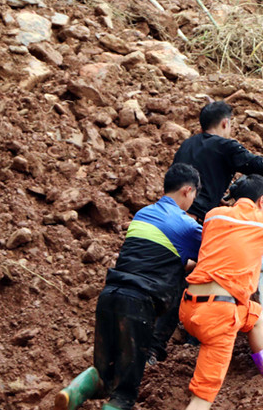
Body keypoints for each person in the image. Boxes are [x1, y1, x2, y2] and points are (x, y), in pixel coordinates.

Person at [148, 100, 263, 364]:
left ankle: (167, 340)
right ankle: (175, 342)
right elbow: (262, 166)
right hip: (197, 222)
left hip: (169, 216)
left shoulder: (188, 145)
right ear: (226, 123)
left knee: (178, 272)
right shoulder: (226, 145)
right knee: (198, 272)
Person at [54, 163, 203, 410]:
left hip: (109, 297)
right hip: (137, 306)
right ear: (188, 191)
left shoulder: (143, 214)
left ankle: (73, 391)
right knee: (124, 394)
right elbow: (213, 254)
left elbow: (161, 257)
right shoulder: (186, 226)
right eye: (195, 194)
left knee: (105, 376)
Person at [179, 174, 263, 409]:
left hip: (189, 306)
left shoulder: (214, 215)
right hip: (219, 314)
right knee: (202, 397)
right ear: (262, 201)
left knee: (255, 316)